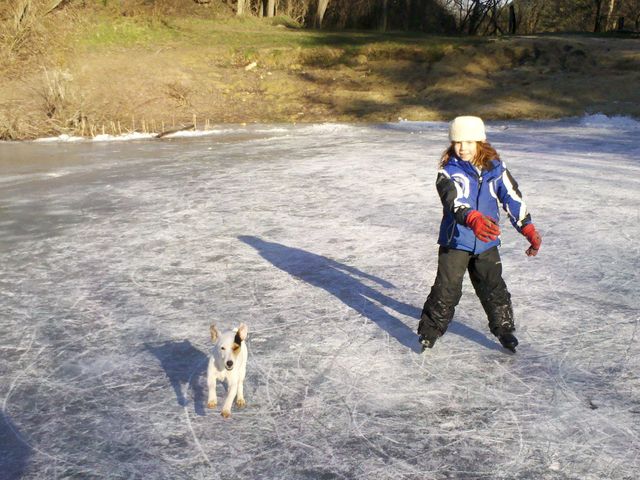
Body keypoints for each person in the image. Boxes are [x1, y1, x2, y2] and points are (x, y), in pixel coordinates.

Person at [417, 116, 542, 352]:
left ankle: (504, 330)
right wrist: (472, 218)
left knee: (493, 285)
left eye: (469, 142)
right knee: (447, 288)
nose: (462, 147)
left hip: (486, 240)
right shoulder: (449, 171)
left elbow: (512, 198)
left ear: (480, 141)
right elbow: (454, 200)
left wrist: (527, 228)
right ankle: (430, 331)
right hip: (456, 239)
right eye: (457, 142)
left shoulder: (496, 168)